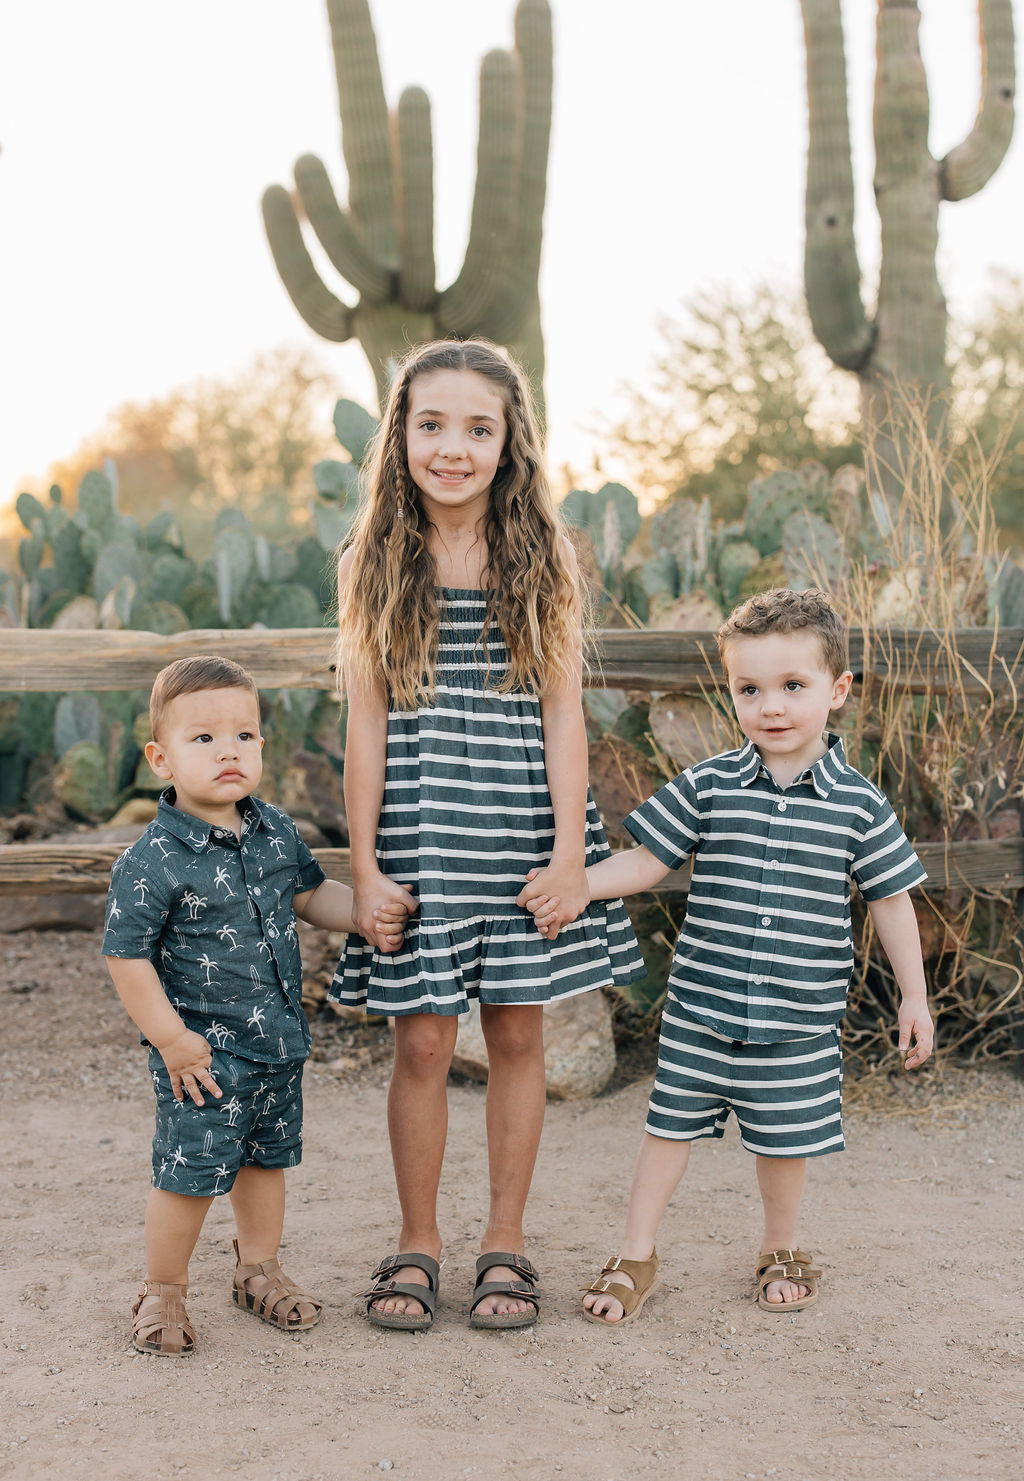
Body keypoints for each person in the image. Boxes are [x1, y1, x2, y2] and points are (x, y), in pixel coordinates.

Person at [332, 338, 644, 1331]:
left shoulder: (541, 556)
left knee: (517, 1031)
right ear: (401, 436)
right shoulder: (375, 558)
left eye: (478, 427)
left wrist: (567, 854)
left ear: (511, 442)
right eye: (432, 424)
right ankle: (417, 1238)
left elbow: (562, 712)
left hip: (520, 829)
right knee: (422, 1041)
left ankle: (502, 1241)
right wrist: (367, 864)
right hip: (421, 830)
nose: (453, 447)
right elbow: (365, 722)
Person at [564, 587, 933, 1323]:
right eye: (750, 688)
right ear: (730, 689)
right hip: (703, 1007)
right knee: (666, 1128)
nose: (772, 705)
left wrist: (914, 997)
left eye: (793, 686)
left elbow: (891, 899)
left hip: (798, 1017)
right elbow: (645, 860)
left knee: (782, 1140)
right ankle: (637, 1252)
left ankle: (780, 1245)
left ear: (838, 690)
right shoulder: (710, 785)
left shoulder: (860, 805)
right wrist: (574, 885)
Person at [103, 655, 411, 1356]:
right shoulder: (151, 860)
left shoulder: (274, 830)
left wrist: (362, 910)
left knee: (265, 1163)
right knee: (188, 1173)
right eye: (203, 739)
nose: (228, 752)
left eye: (244, 735)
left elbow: (307, 894)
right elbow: (126, 957)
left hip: (276, 1041)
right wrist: (170, 1038)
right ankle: (164, 1288)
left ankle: (258, 1269)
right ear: (161, 757)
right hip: (202, 1056)